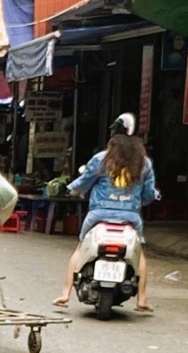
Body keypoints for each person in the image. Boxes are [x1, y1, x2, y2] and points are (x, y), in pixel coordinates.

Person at [55, 114, 159, 312]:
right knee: (139, 254)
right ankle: (142, 299)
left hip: (98, 216)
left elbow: (83, 182)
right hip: (130, 218)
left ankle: (65, 293)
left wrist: (73, 190)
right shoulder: (144, 163)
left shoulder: (102, 159)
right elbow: (148, 194)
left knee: (79, 249)